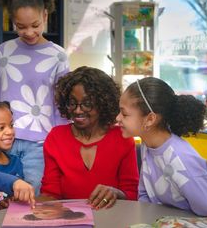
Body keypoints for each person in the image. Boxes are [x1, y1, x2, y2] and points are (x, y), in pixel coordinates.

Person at [116, 77, 207, 222]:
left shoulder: (181, 160)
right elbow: (145, 196)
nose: (118, 118)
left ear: (150, 119)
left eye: (124, 114)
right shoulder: (148, 145)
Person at [0, 0, 70, 195]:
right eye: (21, 26)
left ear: (45, 15)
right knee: (2, 201)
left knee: (33, 202)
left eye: (35, 25)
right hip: (5, 140)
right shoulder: (3, 52)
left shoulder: (58, 56)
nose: (29, 32)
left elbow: (61, 106)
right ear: (12, 21)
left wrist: (62, 144)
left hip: (41, 144)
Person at [40, 66, 139, 209]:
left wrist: (116, 193)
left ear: (102, 103)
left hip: (112, 217)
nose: (78, 110)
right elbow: (50, 194)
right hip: (69, 220)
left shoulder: (122, 137)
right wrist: (23, 200)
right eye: (72, 103)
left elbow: (132, 194)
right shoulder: (56, 137)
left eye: (86, 104)